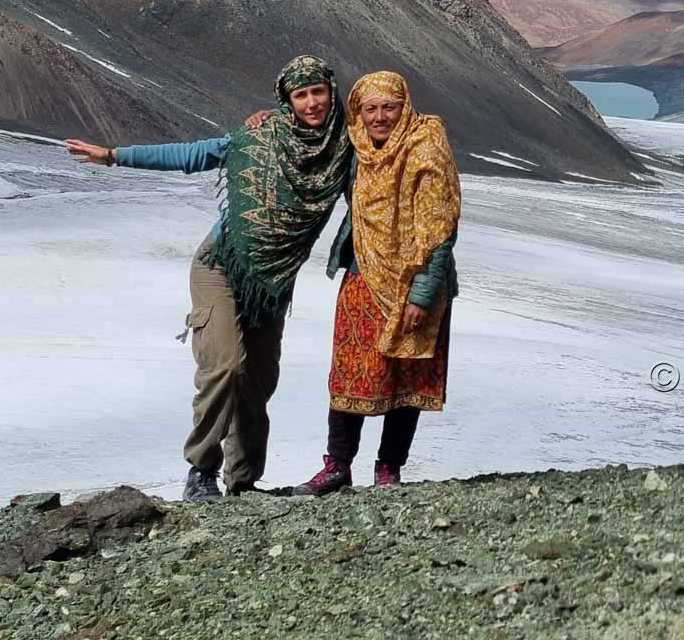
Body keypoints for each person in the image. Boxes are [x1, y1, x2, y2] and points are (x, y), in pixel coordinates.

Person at [64, 56, 352, 501]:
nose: (311, 102)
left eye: (318, 92)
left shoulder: (344, 149)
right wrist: (114, 156)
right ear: (287, 101)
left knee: (257, 382)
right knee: (225, 365)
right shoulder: (259, 136)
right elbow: (194, 154)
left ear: (332, 92)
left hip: (272, 281)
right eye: (301, 94)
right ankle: (201, 471)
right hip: (220, 264)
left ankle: (243, 482)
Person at [251, 70, 461, 492]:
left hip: (420, 282)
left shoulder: (426, 143)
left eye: (389, 107)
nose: (380, 117)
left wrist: (421, 292)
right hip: (363, 273)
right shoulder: (357, 147)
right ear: (359, 113)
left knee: (407, 375)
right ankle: (338, 466)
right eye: (370, 109)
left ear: (404, 107)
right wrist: (268, 119)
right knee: (349, 371)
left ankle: (389, 469)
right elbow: (311, 135)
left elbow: (440, 229)